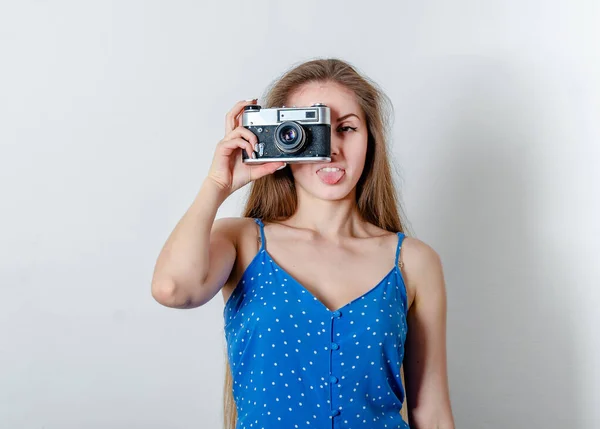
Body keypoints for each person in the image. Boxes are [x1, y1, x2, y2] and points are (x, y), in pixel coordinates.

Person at [151, 58, 455, 429]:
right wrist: (217, 185)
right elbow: (172, 289)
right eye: (312, 131)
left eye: (346, 128)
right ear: (281, 139)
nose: (332, 149)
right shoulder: (242, 241)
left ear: (370, 139)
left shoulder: (413, 261)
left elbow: (433, 413)